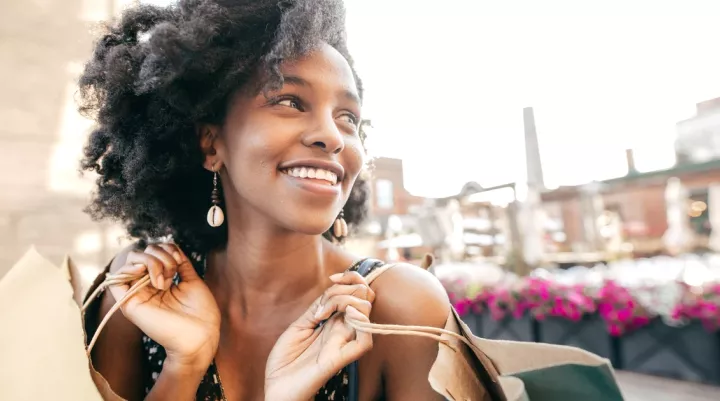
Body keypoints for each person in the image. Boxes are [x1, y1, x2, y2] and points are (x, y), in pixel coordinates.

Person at [78, 1, 450, 400]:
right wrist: (183, 366)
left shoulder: (399, 309)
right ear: (211, 143)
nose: (332, 136)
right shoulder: (142, 292)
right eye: (290, 101)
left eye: (348, 117)